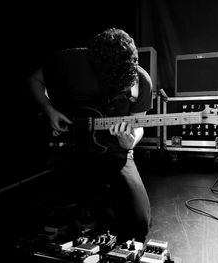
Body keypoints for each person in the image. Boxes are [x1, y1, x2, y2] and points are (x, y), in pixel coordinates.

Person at [28, 27, 152, 242]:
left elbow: (138, 124)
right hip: (74, 148)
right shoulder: (70, 60)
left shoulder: (141, 81)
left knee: (138, 224)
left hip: (115, 152)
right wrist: (50, 112)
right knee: (53, 216)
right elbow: (34, 81)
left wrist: (130, 141)